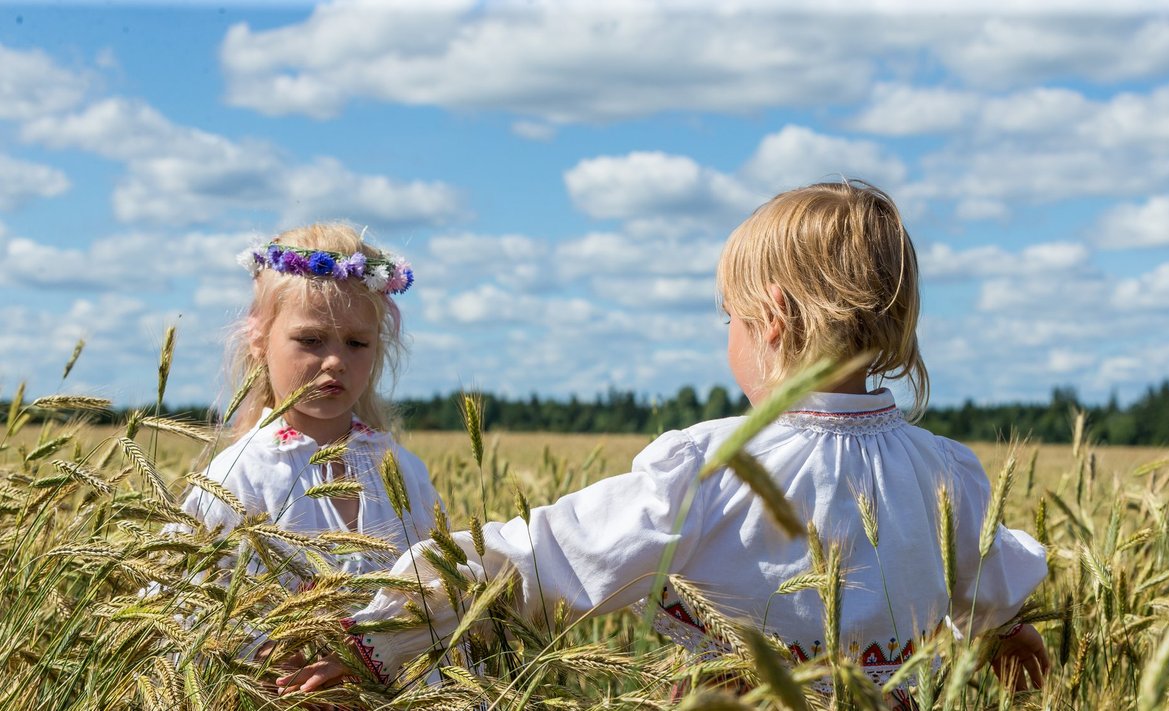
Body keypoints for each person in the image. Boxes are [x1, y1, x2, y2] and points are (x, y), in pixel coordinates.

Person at [279, 182, 1050, 702]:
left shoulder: (710, 467)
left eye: (732, 320)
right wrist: (1007, 634)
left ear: (772, 318)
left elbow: (540, 556)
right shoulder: (948, 472)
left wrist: (379, 636)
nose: (733, 337)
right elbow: (993, 582)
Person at [170, 223, 442, 659]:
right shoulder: (237, 475)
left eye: (357, 343)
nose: (335, 360)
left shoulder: (403, 470)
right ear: (260, 341)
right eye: (311, 340)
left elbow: (439, 595)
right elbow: (185, 618)